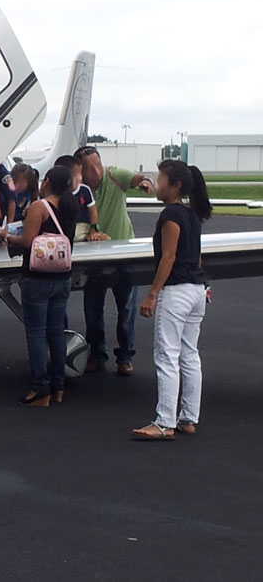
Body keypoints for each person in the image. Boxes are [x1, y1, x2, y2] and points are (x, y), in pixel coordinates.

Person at [131, 160, 212, 440]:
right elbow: (197, 256)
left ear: (175, 185)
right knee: (189, 354)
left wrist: (152, 294)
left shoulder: (171, 216)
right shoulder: (193, 215)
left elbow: (169, 256)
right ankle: (188, 417)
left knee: (167, 355)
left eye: (161, 178)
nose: (157, 182)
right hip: (197, 290)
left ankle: (164, 422)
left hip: (176, 291)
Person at [0, 166, 79, 406]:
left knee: (36, 333)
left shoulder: (39, 207)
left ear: (48, 183)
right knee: (56, 333)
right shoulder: (71, 207)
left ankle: (40, 388)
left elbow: (27, 241)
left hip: (37, 278)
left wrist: (6, 236)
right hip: (62, 277)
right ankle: (58, 386)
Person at [74, 146, 155, 376]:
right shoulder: (78, 189)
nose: (96, 171)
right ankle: (97, 354)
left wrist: (146, 182)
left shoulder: (114, 175)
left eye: (97, 164)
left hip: (123, 254)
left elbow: (138, 178)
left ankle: (125, 356)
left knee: (127, 308)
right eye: (89, 168)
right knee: (93, 308)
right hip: (93, 256)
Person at [54, 155, 101, 242]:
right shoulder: (56, 192)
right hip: (61, 229)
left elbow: (92, 211)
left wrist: (93, 229)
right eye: (77, 174)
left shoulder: (84, 190)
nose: (80, 177)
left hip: (82, 227)